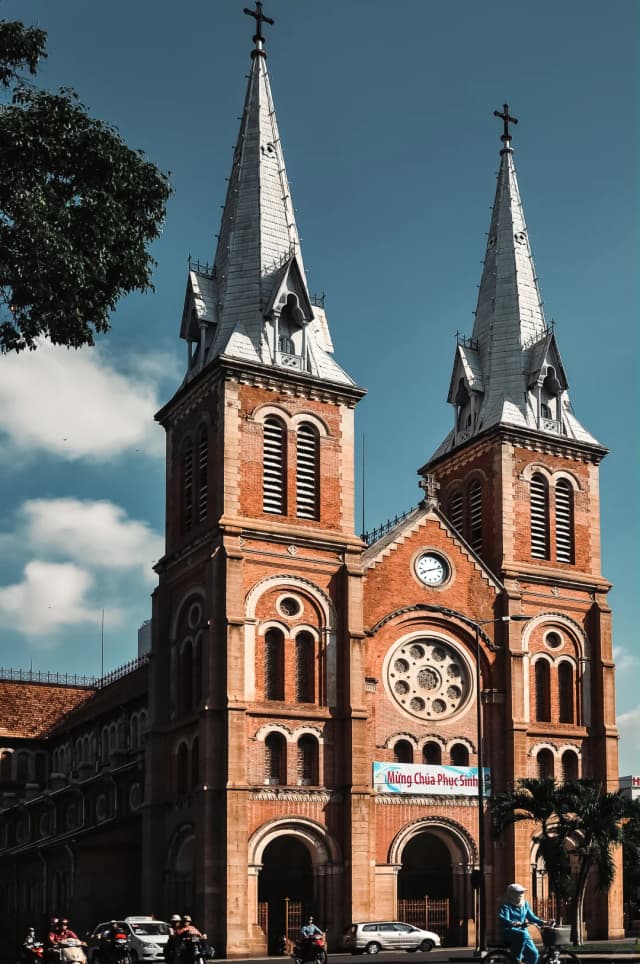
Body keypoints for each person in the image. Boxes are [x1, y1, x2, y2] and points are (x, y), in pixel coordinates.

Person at [497, 883, 546, 964]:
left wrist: (542, 922)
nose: (521, 894)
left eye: (522, 892)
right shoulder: (506, 905)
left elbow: (531, 917)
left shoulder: (525, 904)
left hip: (522, 933)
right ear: (511, 894)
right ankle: (517, 959)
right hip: (509, 931)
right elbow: (503, 918)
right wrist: (512, 922)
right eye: (518, 892)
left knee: (534, 954)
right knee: (522, 934)